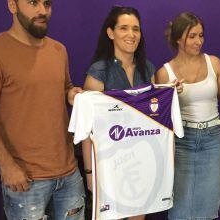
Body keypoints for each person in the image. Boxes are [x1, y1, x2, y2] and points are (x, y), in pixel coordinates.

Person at [0, 0, 85, 219]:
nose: (42, 10)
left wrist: (70, 95)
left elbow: (64, 89)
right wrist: (7, 166)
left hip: (69, 174)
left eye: (47, 3)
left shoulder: (58, 50)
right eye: (33, 2)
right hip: (26, 181)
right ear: (12, 5)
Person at [155, 12, 220, 220]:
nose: (199, 41)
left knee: (209, 203)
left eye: (201, 35)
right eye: (192, 36)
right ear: (178, 38)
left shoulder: (214, 63)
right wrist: (170, 96)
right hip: (181, 141)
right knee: (180, 204)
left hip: (212, 139)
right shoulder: (164, 73)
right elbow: (160, 118)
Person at [81, 6, 158, 220]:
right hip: (107, 165)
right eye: (124, 28)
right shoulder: (98, 72)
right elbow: (87, 129)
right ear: (110, 33)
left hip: (141, 162)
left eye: (136, 29)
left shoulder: (148, 70)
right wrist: (89, 173)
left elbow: (153, 121)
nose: (131, 35)